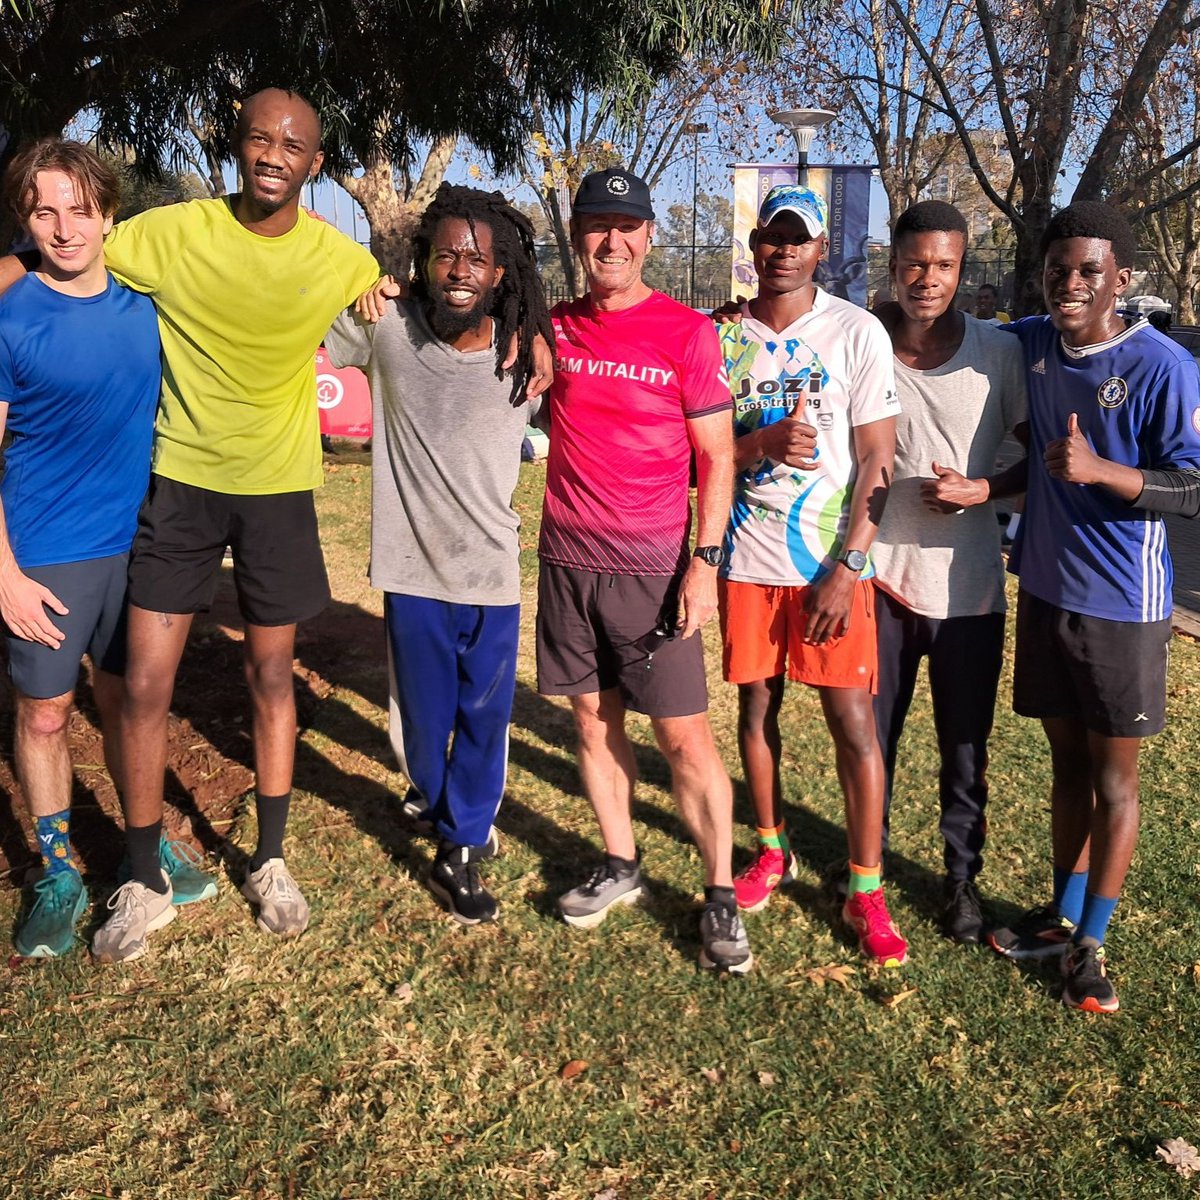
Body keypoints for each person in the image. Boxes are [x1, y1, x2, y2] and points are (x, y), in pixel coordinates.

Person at [0, 90, 385, 960]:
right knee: (141, 685)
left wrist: (532, 337)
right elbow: (57, 245)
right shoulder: (169, 232)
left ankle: (272, 859)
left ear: (315, 164)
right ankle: (140, 875)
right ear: (237, 146)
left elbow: (410, 301)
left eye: (293, 143)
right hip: (177, 484)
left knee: (273, 677)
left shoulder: (340, 258)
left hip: (280, 489)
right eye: (258, 136)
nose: (274, 153)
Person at [535, 167, 751, 974]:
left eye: (627, 228)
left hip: (653, 571)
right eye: (597, 226)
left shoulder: (686, 332)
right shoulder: (552, 327)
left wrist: (704, 564)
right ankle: (621, 863)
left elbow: (717, 459)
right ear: (578, 235)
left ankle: (720, 894)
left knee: (684, 737)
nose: (612, 241)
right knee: (592, 721)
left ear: (649, 238)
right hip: (566, 562)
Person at [988, 201, 1200, 1013]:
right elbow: (944, 337)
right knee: (1066, 765)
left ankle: (1092, 944)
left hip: (1123, 607)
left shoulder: (1163, 365)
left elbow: (1191, 487)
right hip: (1043, 591)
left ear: (1122, 277)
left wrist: (1101, 471)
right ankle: (1060, 913)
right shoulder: (1035, 342)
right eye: (1057, 270)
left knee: (1116, 781)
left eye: (1087, 271)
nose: (1071, 284)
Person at [324, 184, 553, 924]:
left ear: (500, 275)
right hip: (412, 570)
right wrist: (362, 289)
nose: (460, 267)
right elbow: (304, 331)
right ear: (423, 260)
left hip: (491, 571)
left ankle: (461, 840)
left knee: (486, 717)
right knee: (423, 721)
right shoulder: (387, 329)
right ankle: (430, 795)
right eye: (447, 252)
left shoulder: (525, 351)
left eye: (477, 258)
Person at [716, 184, 906, 967]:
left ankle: (866, 889)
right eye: (772, 236)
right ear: (755, 243)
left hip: (829, 566)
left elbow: (877, 460)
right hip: (747, 557)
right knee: (755, 709)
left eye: (800, 238)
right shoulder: (721, 338)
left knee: (852, 725)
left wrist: (849, 564)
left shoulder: (857, 333)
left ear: (822, 249)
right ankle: (771, 848)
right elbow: (705, 450)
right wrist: (759, 441)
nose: (783, 249)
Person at [0, 140, 173, 957]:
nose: (64, 228)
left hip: (137, 546)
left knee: (127, 699)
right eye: (44, 211)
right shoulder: (11, 311)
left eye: (79, 208)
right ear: (25, 222)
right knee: (44, 712)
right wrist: (3, 574)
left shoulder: (149, 303)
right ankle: (58, 866)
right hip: (44, 551)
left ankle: (145, 837)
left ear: (109, 214)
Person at [869, 201, 1027, 943]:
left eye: (944, 266)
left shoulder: (999, 354)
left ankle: (960, 882)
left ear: (962, 270)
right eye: (915, 263)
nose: (927, 279)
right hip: (881, 585)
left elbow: (1045, 464)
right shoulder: (864, 342)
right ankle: (866, 869)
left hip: (969, 595)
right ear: (892, 262)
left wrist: (984, 490)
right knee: (874, 740)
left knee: (965, 749)